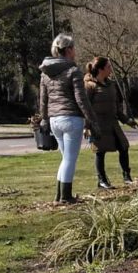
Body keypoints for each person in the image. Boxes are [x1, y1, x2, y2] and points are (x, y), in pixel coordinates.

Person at [39, 34, 100, 203]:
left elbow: (43, 98)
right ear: (68, 50)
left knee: (65, 158)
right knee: (69, 159)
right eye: (73, 48)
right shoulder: (73, 71)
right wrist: (92, 120)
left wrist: (44, 119)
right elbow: (81, 99)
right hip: (71, 118)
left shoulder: (45, 73)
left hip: (54, 120)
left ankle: (59, 195)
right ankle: (65, 196)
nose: (75, 51)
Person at [84, 57, 137, 189]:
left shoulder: (112, 85)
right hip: (98, 124)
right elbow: (85, 108)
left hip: (113, 123)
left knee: (124, 147)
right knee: (100, 152)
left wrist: (127, 120)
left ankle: (127, 177)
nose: (110, 70)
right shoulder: (89, 86)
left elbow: (117, 108)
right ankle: (102, 180)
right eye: (108, 67)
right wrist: (86, 126)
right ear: (101, 69)